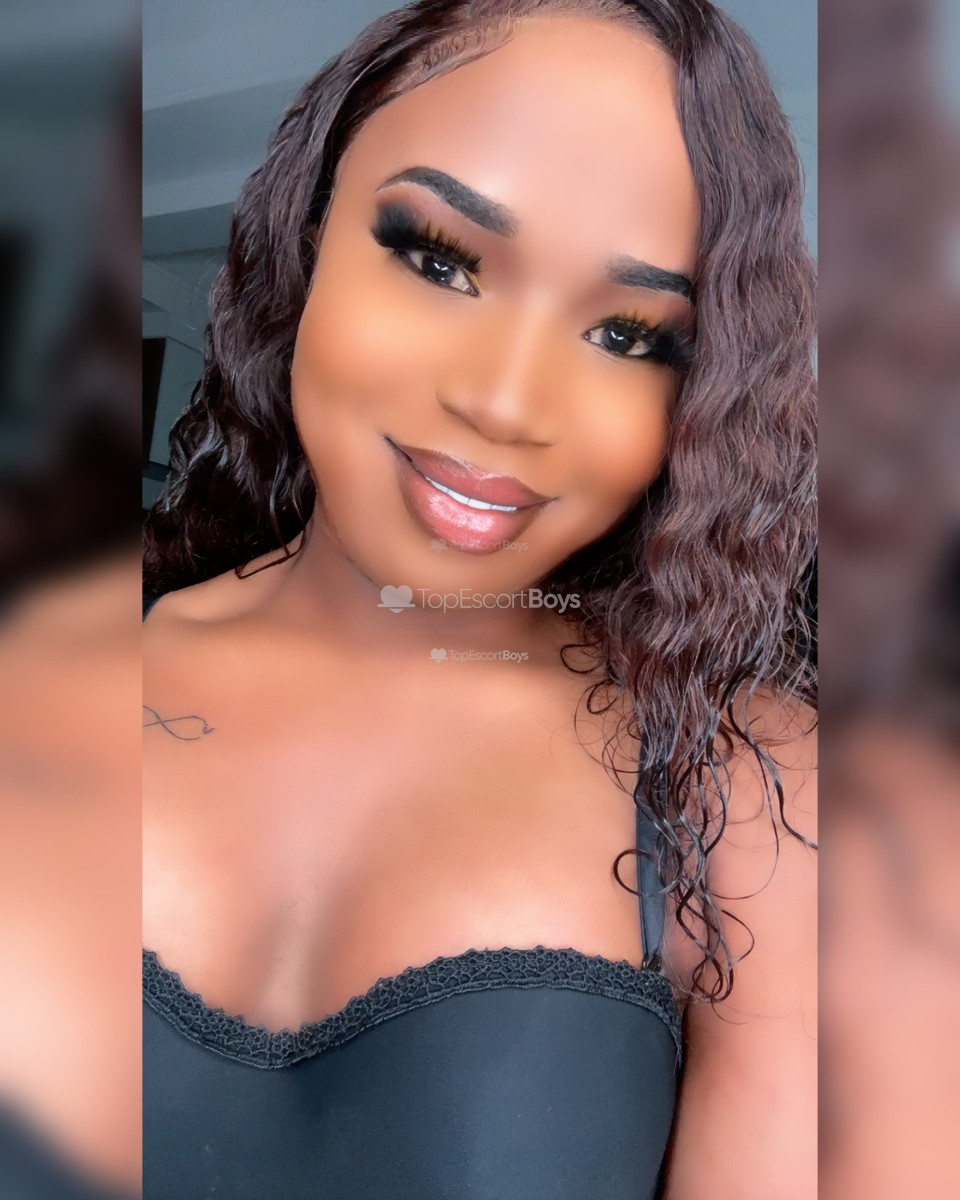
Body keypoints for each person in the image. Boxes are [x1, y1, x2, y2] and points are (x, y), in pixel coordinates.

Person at [142, 1, 817, 1196]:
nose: (506, 402)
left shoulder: (755, 800)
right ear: (306, 235)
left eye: (628, 335)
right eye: (442, 260)